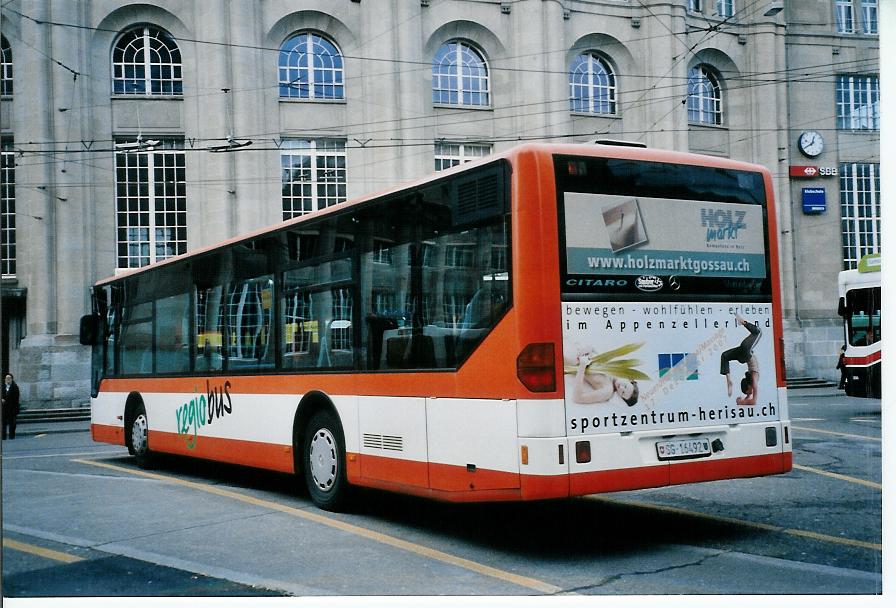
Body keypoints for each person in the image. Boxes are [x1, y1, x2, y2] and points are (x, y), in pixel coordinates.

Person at [720, 314, 761, 404]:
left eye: (748, 392)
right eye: (749, 393)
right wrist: (743, 401)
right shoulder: (753, 380)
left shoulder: (753, 380)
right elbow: (753, 401)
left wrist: (743, 401)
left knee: (725, 356)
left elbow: (752, 400)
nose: (750, 393)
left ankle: (728, 380)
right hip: (744, 353)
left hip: (745, 352)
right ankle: (743, 322)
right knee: (758, 332)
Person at [573, 354, 639, 406]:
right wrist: (587, 350)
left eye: (623, 393)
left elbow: (578, 398)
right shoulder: (614, 368)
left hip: (571, 360)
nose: (621, 388)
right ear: (628, 379)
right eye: (625, 386)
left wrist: (582, 365)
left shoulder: (607, 391)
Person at [2, 372, 21, 440]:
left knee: (12, 423)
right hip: (3, 409)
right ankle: (3, 436)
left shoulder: (15, 387)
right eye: (6, 378)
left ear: (12, 379)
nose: (8, 379)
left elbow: (16, 398)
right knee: (3, 423)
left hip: (12, 408)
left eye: (9, 378)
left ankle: (11, 436)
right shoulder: (2, 387)